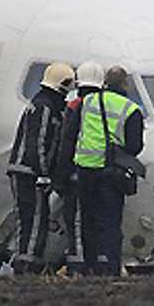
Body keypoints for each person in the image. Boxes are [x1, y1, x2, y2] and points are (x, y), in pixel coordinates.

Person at [73, 65, 144, 276]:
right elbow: (135, 146)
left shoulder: (87, 102)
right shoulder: (130, 109)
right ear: (125, 84)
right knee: (112, 222)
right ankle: (111, 267)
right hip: (112, 172)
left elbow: (72, 132)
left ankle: (89, 265)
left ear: (105, 83)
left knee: (88, 220)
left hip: (85, 169)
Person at [7, 62, 73, 274]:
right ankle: (27, 265)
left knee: (33, 217)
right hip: (30, 172)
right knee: (33, 219)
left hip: (26, 170)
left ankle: (27, 261)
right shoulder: (45, 107)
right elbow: (39, 142)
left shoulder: (41, 103)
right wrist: (44, 173)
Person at [52, 61, 104, 275]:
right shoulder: (107, 104)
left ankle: (78, 265)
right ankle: (100, 264)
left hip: (77, 174)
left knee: (76, 222)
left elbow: (67, 142)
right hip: (103, 174)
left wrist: (59, 178)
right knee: (99, 221)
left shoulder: (75, 107)